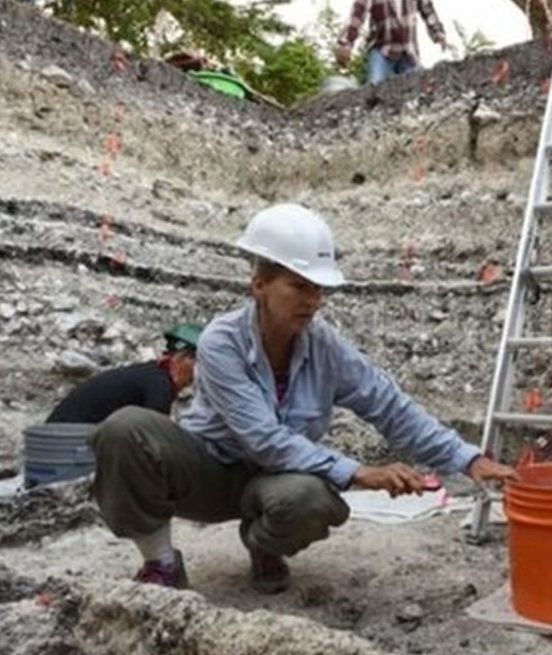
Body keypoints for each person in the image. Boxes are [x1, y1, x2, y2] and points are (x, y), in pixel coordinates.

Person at [88, 204, 517, 594]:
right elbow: (262, 439)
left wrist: (468, 459)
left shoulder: (324, 346)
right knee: (125, 429)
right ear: (259, 284)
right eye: (299, 286)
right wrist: (360, 472)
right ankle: (161, 562)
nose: (312, 302)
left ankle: (263, 545)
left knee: (310, 500)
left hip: (272, 483)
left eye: (318, 290)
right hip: (209, 474)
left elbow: (389, 405)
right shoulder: (222, 341)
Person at [45, 323, 202, 424]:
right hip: (67, 444)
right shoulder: (160, 384)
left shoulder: (150, 375)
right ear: (183, 358)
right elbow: (155, 438)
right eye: (199, 363)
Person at [335, 0, 450, 86]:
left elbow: (428, 10)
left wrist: (438, 33)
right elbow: (357, 14)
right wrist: (346, 44)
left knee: (419, 89)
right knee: (375, 88)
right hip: (382, 50)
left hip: (408, 52)